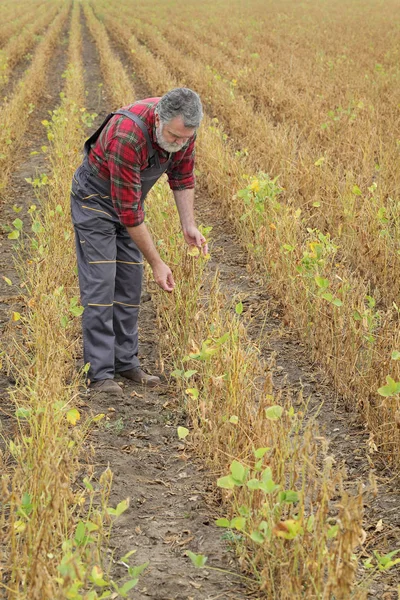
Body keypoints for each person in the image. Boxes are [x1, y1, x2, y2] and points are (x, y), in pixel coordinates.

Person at [70, 88, 207, 395]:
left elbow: (183, 177)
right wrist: (158, 263)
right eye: (173, 137)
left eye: (184, 139)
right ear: (158, 118)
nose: (178, 144)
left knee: (130, 285)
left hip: (128, 202)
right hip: (95, 202)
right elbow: (129, 213)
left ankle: (125, 362)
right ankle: (100, 373)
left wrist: (189, 225)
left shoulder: (184, 129)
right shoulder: (128, 136)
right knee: (101, 284)